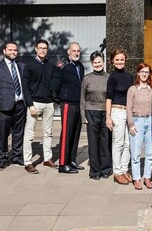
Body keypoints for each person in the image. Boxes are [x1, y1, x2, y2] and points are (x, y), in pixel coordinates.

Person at [22, 39, 57, 174]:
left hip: (48, 103)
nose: (43, 50)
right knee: (30, 134)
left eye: (45, 48)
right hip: (35, 103)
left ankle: (47, 159)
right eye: (40, 48)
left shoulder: (51, 65)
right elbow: (25, 86)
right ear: (36, 49)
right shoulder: (29, 65)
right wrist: (30, 104)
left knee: (48, 133)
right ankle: (28, 162)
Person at [51, 42, 85, 174]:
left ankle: (71, 161)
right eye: (74, 50)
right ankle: (62, 164)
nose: (76, 53)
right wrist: (61, 101)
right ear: (68, 51)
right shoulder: (62, 66)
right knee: (66, 134)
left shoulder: (80, 66)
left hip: (78, 104)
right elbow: (54, 86)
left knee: (75, 134)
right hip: (67, 104)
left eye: (78, 51)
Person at [80, 51, 112, 180]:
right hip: (91, 111)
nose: (97, 64)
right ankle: (95, 171)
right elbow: (82, 98)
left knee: (105, 141)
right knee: (93, 142)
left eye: (99, 62)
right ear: (92, 64)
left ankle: (105, 169)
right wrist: (83, 116)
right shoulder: (87, 78)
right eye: (95, 63)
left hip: (106, 111)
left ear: (103, 62)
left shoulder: (109, 78)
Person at [106, 48, 133, 185]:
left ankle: (123, 169)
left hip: (128, 112)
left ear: (125, 60)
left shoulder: (129, 76)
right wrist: (108, 117)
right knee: (118, 143)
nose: (119, 62)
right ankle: (117, 172)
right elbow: (109, 98)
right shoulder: (112, 77)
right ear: (112, 61)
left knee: (128, 143)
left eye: (122, 59)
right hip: (116, 111)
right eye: (117, 60)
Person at [126, 63, 152, 190]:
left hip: (150, 121)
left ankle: (147, 177)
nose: (144, 74)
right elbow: (128, 107)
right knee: (136, 153)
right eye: (142, 71)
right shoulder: (132, 89)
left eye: (146, 72)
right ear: (138, 73)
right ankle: (136, 178)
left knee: (150, 152)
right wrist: (131, 124)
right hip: (137, 121)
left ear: (149, 74)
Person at [0, 42, 26, 170]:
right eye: (10, 50)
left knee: (18, 132)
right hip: (4, 106)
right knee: (2, 134)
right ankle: (2, 158)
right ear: (4, 51)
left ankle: (16, 156)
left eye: (15, 50)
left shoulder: (21, 66)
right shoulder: (0, 67)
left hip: (20, 105)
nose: (13, 52)